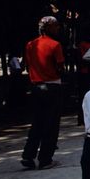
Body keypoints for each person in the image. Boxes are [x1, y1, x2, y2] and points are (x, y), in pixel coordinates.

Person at [21, 15, 65, 170]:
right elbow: (60, 67)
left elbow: (27, 65)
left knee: (37, 123)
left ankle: (28, 155)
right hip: (52, 86)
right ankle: (46, 158)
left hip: (36, 87)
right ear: (48, 28)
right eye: (56, 26)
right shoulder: (55, 45)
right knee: (52, 124)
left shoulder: (30, 45)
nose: (58, 28)